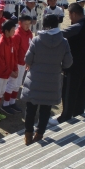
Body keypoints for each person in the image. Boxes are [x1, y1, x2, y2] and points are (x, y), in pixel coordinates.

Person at [22, 14, 73, 145]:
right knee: (45, 110)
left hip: (35, 80)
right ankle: (39, 134)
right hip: (52, 81)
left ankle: (28, 135)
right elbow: (68, 63)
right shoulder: (63, 42)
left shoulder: (37, 40)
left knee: (31, 109)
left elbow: (27, 59)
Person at [51, 2, 85, 125]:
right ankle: (78, 113)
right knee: (82, 90)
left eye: (70, 16)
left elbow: (60, 34)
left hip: (73, 66)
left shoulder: (78, 27)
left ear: (74, 14)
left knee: (69, 91)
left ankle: (65, 117)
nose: (70, 19)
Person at [2, 14, 33, 114]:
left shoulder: (29, 34)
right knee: (12, 84)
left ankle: (12, 102)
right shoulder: (17, 35)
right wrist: (14, 66)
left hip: (24, 63)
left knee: (18, 84)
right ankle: (5, 104)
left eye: (29, 24)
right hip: (17, 63)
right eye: (25, 24)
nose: (27, 26)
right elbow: (13, 52)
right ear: (20, 23)